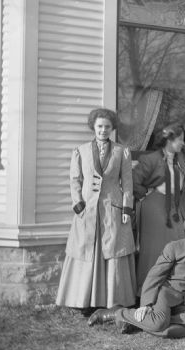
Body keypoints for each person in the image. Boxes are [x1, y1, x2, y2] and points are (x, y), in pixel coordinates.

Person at [88, 208, 185, 339]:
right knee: (160, 323)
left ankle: (146, 323)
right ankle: (116, 313)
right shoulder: (175, 247)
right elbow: (155, 275)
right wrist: (146, 304)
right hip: (166, 296)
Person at [56, 108, 137, 312]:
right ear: (93, 126)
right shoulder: (81, 151)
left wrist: (127, 208)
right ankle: (83, 301)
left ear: (112, 128)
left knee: (112, 249)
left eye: (107, 127)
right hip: (87, 210)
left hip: (112, 209)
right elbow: (75, 180)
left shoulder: (121, 151)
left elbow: (127, 183)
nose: (103, 130)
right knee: (85, 248)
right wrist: (79, 206)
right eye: (100, 126)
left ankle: (112, 300)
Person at [132, 125, 185, 292]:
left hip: (174, 206)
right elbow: (134, 181)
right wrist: (147, 193)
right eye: (180, 139)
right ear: (169, 140)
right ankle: (148, 290)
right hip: (155, 206)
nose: (183, 142)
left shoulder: (180, 157)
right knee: (155, 249)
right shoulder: (151, 159)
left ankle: (174, 290)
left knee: (177, 246)